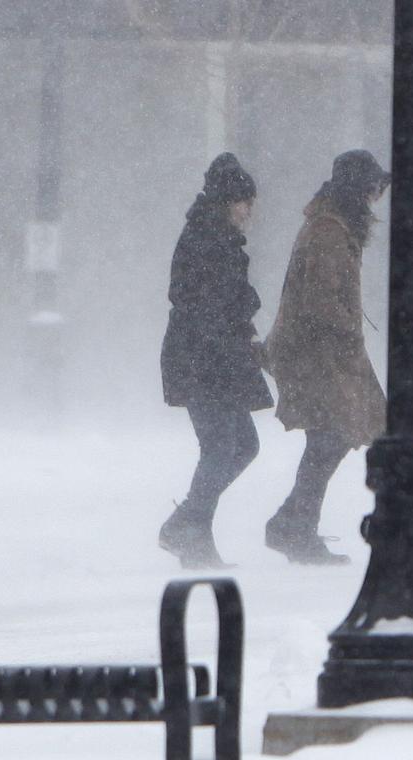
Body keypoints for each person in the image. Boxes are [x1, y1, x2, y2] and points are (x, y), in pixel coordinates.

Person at [262, 149, 391, 565]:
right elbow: (320, 300)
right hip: (318, 354)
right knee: (333, 433)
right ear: (358, 190)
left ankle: (294, 523)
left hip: (320, 351)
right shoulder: (329, 233)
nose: (377, 198)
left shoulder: (332, 227)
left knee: (330, 435)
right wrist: (349, 329)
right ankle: (293, 525)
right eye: (373, 188)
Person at [159, 152, 272, 569]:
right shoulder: (206, 238)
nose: (248, 210)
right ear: (226, 200)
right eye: (244, 202)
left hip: (215, 357)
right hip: (203, 360)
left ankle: (187, 525)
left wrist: (243, 337)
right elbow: (201, 302)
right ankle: (191, 534)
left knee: (240, 446)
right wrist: (229, 337)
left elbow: (225, 301)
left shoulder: (217, 237)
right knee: (222, 448)